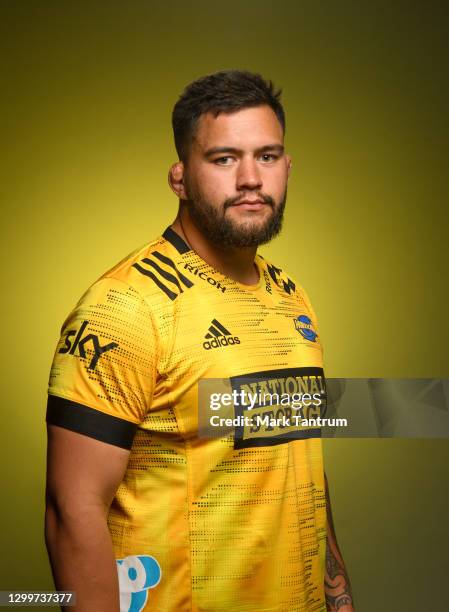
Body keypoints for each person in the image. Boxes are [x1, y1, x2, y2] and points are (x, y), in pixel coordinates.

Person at [45, 70, 354, 612]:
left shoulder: (292, 297)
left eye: (267, 156)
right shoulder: (126, 307)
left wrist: (339, 597)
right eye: (224, 158)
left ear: (287, 168)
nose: (251, 179)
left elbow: (302, 462)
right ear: (180, 177)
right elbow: (72, 512)